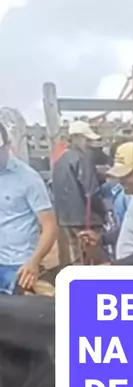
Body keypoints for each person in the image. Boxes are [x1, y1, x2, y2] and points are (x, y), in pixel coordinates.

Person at [0, 123, 57, 294]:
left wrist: (33, 261)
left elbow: (49, 225)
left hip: (19, 266)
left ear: (7, 145)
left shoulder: (28, 178)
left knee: (21, 307)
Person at [51, 120, 106, 263]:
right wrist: (103, 213)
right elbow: (91, 191)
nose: (89, 144)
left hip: (66, 218)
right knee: (94, 257)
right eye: (87, 140)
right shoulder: (82, 159)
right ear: (78, 138)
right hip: (85, 218)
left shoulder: (59, 160)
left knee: (77, 257)